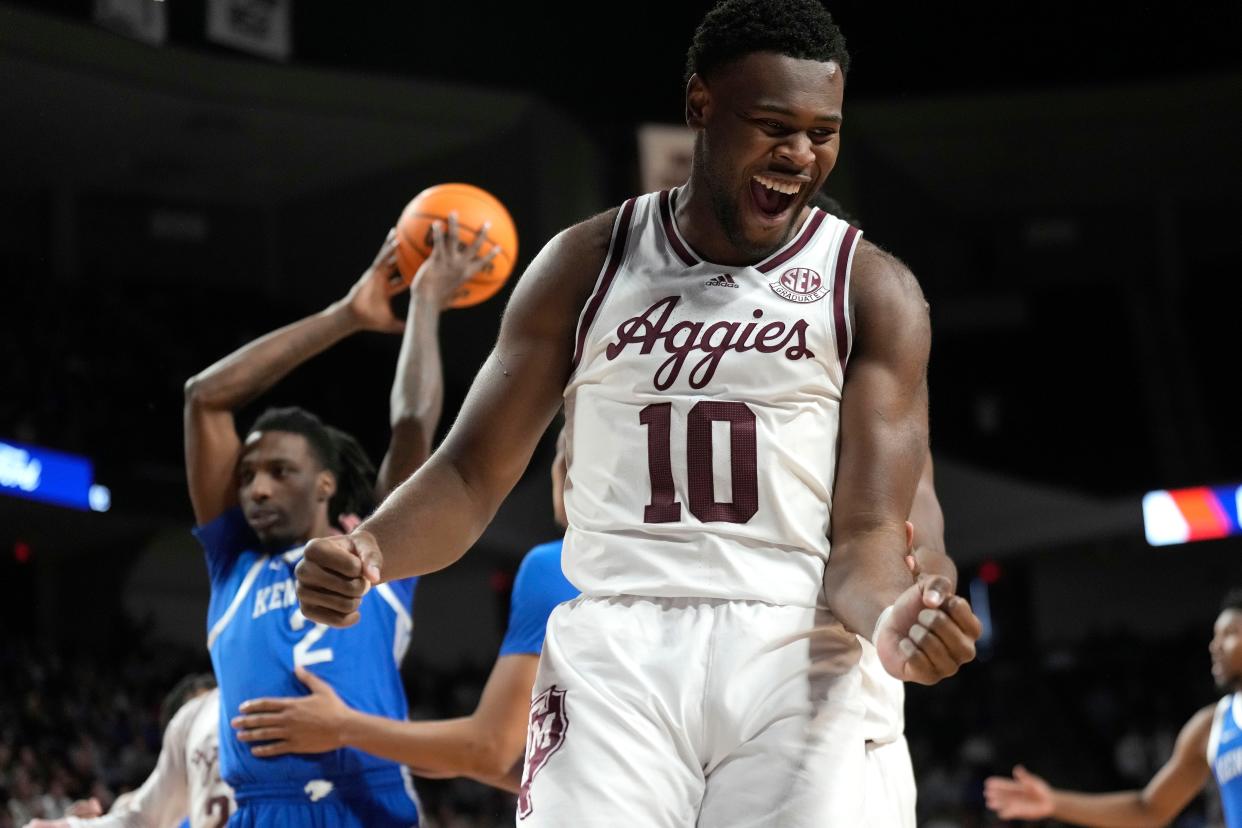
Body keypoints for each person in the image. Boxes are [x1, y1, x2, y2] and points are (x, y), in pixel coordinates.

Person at [295, 1, 981, 824]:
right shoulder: (584, 265)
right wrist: (367, 550)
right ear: (700, 106)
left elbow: (868, 535)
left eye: (822, 132)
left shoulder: (873, 290)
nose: (799, 154)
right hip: (618, 646)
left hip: (802, 641)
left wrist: (895, 618)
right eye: (772, 125)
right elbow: (472, 474)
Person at [182, 219, 493, 826]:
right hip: (262, 811)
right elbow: (204, 396)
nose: (257, 487)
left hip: (367, 805)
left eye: (279, 471)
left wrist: (425, 303)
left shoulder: (378, 548)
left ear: (325, 483)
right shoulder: (232, 564)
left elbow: (412, 425)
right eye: (246, 475)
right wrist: (347, 314)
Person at [231, 432, 580, 794]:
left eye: (565, 450)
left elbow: (491, 750)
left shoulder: (556, 565)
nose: (558, 466)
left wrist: (342, 727)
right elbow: (538, 772)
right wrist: (430, 750)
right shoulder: (636, 575)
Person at [984, 589, 1242, 827]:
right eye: (1214, 636)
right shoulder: (1210, 726)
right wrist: (1054, 802)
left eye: (1230, 633)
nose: (1215, 646)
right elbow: (1148, 809)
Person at [24, 675, 234, 828]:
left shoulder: (245, 774)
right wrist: (75, 825)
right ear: (175, 741)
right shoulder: (136, 807)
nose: (215, 732)